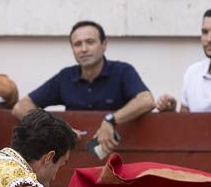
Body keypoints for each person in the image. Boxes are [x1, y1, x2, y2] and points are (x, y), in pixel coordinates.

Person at [13, 20, 155, 157]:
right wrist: (58, 129)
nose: (84, 49)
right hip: (72, 163)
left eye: (90, 42)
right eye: (77, 44)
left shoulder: (122, 72)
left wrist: (110, 120)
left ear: (104, 45)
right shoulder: (65, 77)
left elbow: (146, 100)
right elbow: (21, 107)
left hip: (120, 160)